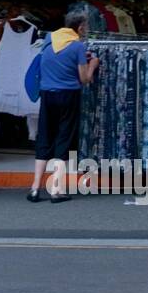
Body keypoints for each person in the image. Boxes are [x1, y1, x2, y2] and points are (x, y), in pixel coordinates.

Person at [28, 11, 100, 204]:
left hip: (47, 94)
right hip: (68, 95)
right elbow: (84, 79)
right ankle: (56, 190)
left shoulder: (49, 40)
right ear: (81, 27)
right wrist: (92, 64)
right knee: (64, 140)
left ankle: (35, 188)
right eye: (86, 26)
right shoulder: (77, 46)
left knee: (44, 138)